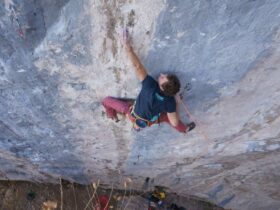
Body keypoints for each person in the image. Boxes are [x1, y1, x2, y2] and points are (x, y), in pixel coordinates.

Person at [102, 31, 195, 133]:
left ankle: (112, 115)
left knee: (106, 100)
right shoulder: (170, 102)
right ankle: (185, 129)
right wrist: (176, 103)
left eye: (163, 78)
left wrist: (128, 48)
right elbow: (174, 122)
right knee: (167, 118)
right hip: (149, 121)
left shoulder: (150, 85)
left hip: (132, 114)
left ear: (162, 87)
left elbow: (137, 67)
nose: (161, 75)